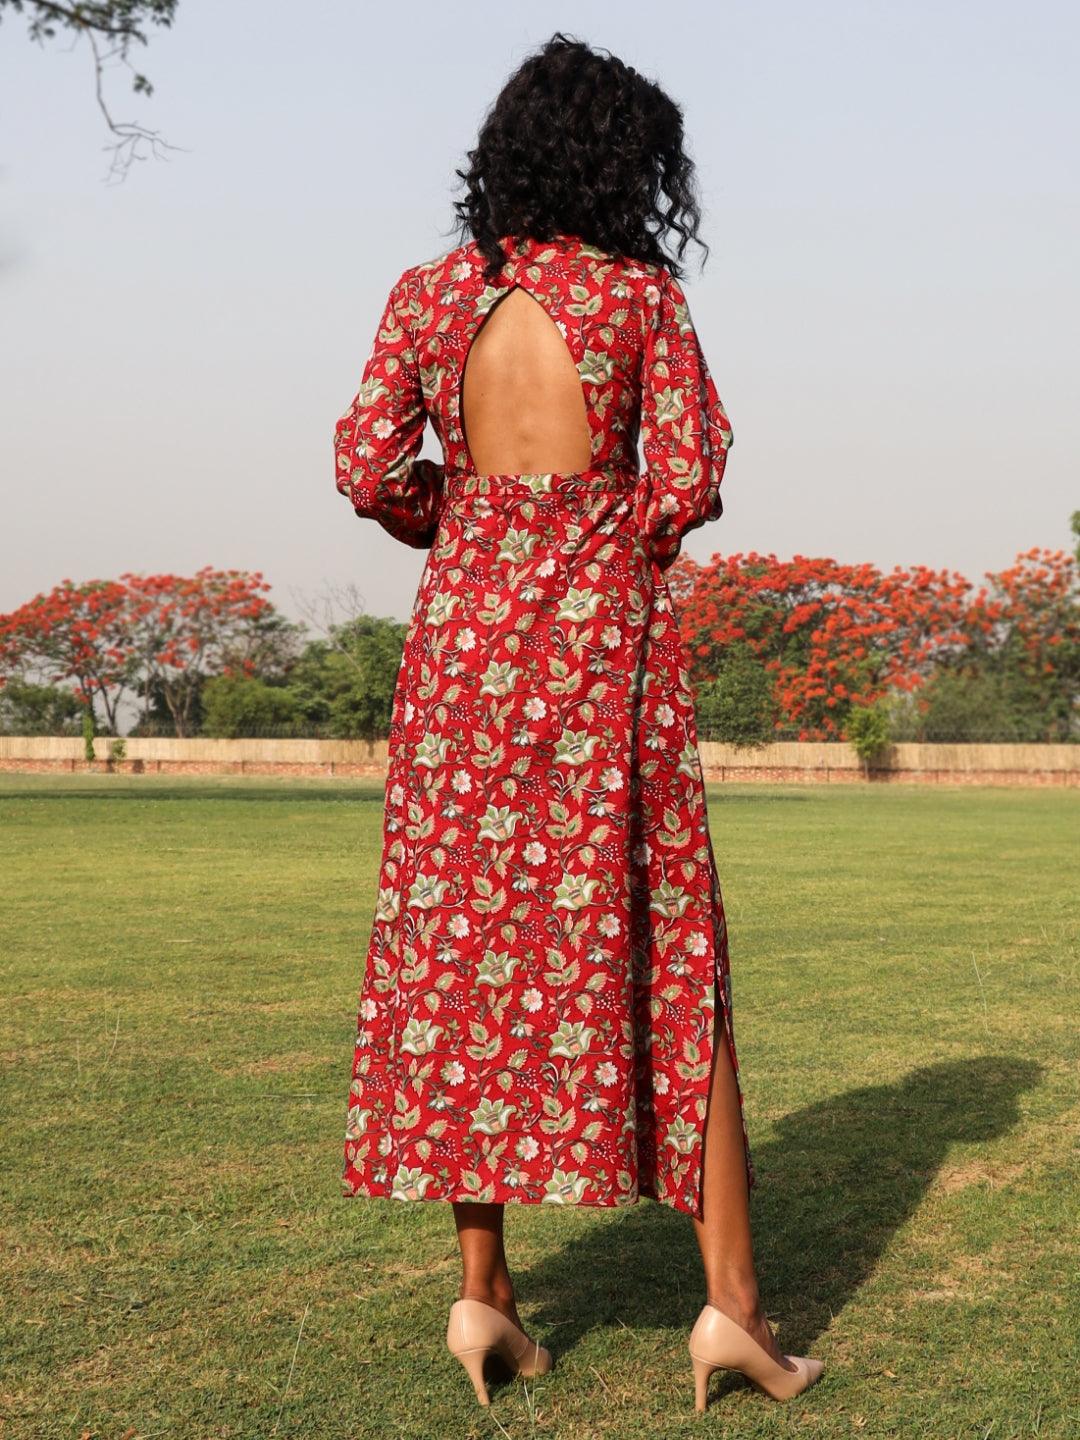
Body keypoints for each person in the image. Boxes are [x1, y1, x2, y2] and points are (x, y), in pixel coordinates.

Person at [333, 31, 824, 1414]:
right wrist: (592, 535)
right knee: (674, 949)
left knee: (464, 962)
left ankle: (485, 1301)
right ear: (626, 165)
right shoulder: (641, 300)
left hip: (461, 668)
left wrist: (467, 521)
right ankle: (734, 1311)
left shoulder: (429, 295)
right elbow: (684, 482)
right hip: (604, 651)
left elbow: (370, 462)